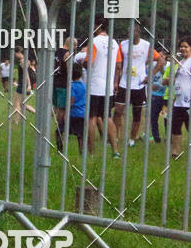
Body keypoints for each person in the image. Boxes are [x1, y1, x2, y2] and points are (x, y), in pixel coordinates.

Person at [114, 23, 163, 146]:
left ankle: (132, 138)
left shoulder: (146, 45)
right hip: (124, 83)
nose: (129, 35)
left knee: (137, 113)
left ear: (138, 33)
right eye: (127, 33)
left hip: (139, 84)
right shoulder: (123, 45)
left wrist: (150, 75)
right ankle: (114, 136)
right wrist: (116, 80)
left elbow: (160, 61)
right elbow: (119, 64)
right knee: (118, 111)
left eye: (132, 32)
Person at [83, 19, 121, 156]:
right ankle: (115, 150)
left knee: (91, 119)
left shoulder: (94, 42)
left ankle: (91, 152)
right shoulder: (114, 43)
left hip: (94, 86)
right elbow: (118, 65)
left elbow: (88, 63)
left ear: (97, 26)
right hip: (108, 87)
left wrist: (82, 62)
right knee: (107, 117)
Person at [164, 36, 191, 161]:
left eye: (186, 46)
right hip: (178, 103)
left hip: (189, 103)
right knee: (175, 128)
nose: (183, 49)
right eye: (181, 46)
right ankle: (175, 152)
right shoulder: (180, 63)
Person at [53, 37, 77, 151]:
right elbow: (69, 70)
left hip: (54, 83)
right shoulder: (67, 54)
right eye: (75, 46)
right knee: (63, 111)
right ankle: (60, 131)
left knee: (57, 110)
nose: (76, 48)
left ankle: (61, 128)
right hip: (63, 85)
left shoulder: (56, 51)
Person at [150, 43, 167, 143]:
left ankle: (168, 137)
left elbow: (167, 77)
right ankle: (156, 137)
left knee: (167, 118)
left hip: (166, 97)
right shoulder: (152, 66)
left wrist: (161, 67)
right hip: (155, 96)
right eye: (159, 56)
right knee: (154, 117)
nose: (161, 58)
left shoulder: (169, 66)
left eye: (163, 56)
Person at [67, 62, 87, 152]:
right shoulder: (84, 86)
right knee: (81, 135)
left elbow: (72, 99)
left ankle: (60, 149)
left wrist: (67, 108)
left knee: (62, 130)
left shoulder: (71, 86)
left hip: (73, 113)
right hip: (82, 113)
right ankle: (81, 150)